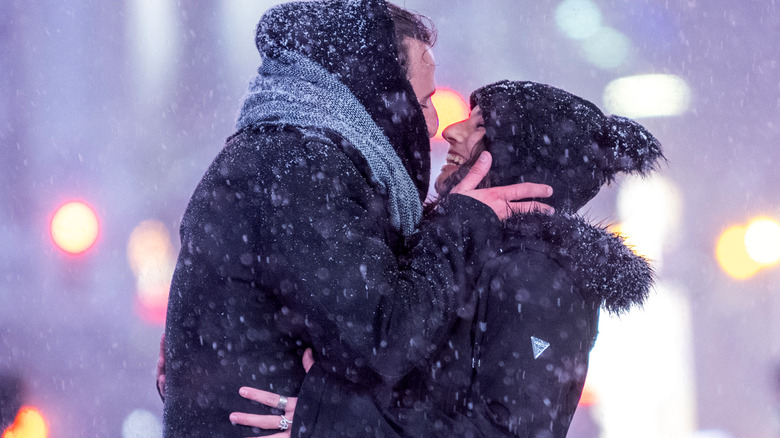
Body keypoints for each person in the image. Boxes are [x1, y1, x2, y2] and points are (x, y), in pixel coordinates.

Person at [161, 1, 552, 436]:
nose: (435, 124)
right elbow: (386, 341)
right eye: (422, 101)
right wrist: (459, 226)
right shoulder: (299, 169)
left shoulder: (287, 158)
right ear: (374, 94)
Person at [233, 80, 665, 437]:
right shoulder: (468, 248)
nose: (453, 132)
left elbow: (502, 434)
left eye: (482, 127)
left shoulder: (536, 276)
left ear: (522, 160)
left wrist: (332, 418)